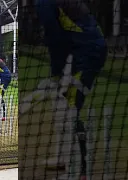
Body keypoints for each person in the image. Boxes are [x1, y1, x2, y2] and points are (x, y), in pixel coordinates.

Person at [34, 0, 107, 179]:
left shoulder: (44, 3)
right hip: (83, 50)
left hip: (88, 53)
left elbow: (55, 38)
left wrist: (58, 71)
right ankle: (64, 158)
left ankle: (82, 167)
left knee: (71, 108)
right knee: (64, 107)